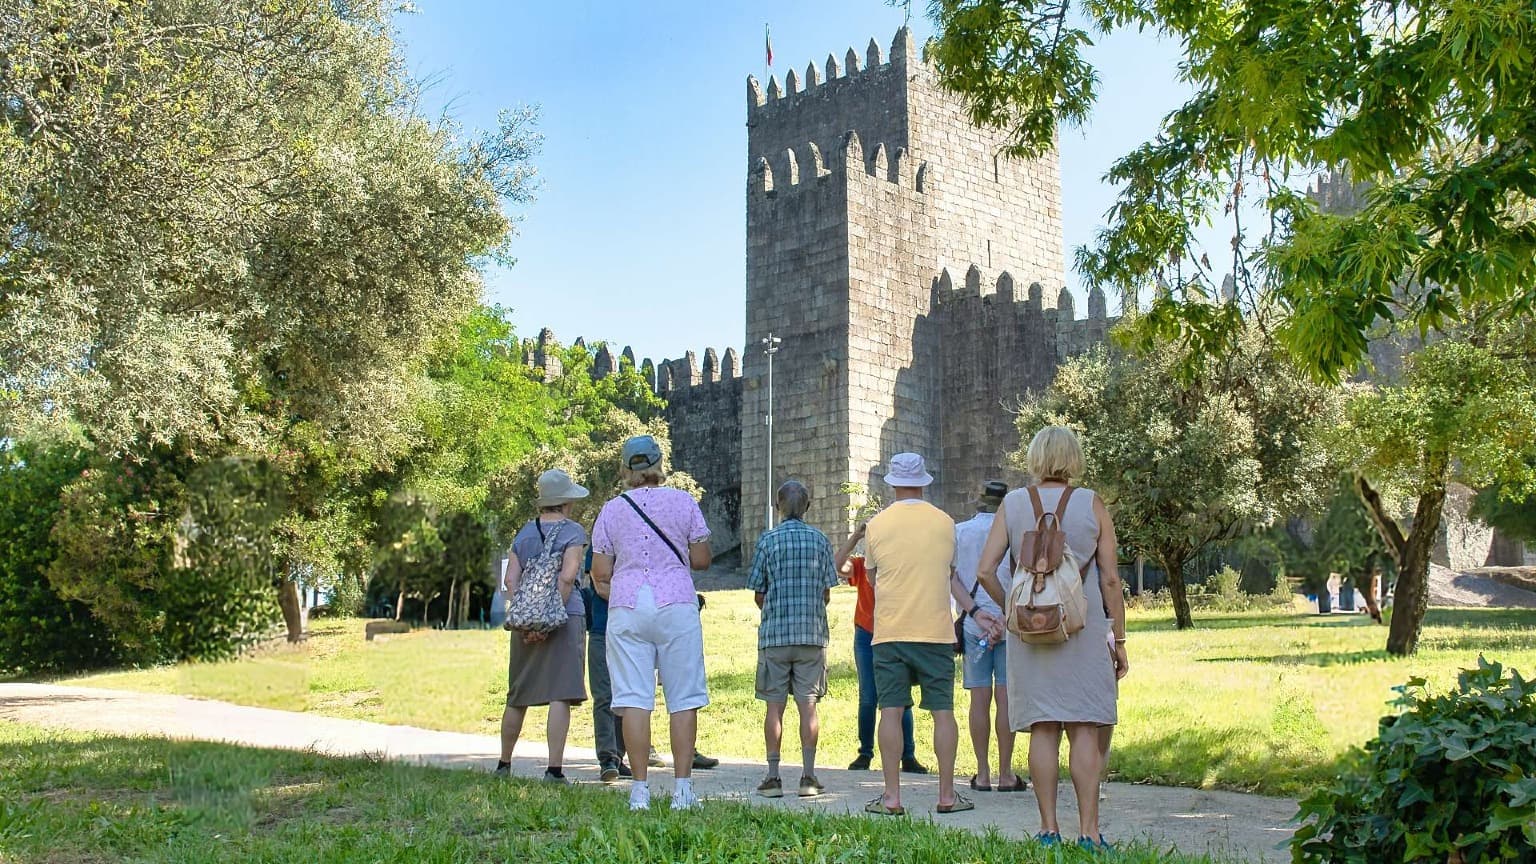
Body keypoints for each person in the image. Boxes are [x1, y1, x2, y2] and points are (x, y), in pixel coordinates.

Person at [971, 426, 1130, 851]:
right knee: (1084, 727)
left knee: (1042, 727)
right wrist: (1120, 636)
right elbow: (1111, 578)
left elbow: (985, 570)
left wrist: (1014, 611)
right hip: (1083, 629)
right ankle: (1090, 833)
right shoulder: (1091, 504)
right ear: (1073, 458)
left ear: (1036, 458)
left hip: (1030, 635)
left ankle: (1048, 831)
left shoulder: (1014, 504)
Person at [863, 452, 999, 816]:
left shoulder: (876, 525)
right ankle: (946, 795)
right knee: (942, 712)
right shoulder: (944, 523)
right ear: (924, 482)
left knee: (890, 712)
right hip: (935, 632)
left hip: (890, 631)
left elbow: (873, 579)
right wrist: (975, 610)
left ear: (892, 484)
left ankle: (891, 797)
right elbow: (950, 577)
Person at [590, 435, 712, 811]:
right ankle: (683, 790)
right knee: (683, 697)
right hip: (675, 601)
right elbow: (702, 558)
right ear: (661, 464)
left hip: (628, 604)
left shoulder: (611, 509)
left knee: (633, 699)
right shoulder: (683, 501)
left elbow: (599, 571)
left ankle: (640, 790)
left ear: (626, 469)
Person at [495, 469, 590, 783]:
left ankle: (504, 764)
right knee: (560, 695)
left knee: (518, 695)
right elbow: (568, 575)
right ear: (565, 502)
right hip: (566, 617)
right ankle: (554, 769)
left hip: (524, 623)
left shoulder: (522, 533)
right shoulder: (573, 532)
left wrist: (527, 619)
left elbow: (510, 581)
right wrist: (550, 619)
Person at [747, 480, 840, 799]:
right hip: (811, 636)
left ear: (778, 506)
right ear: (808, 507)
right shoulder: (820, 541)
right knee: (808, 707)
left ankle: (773, 777)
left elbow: (758, 592)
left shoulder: (767, 541)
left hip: (775, 635)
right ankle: (809, 777)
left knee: (774, 708)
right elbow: (827, 591)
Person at [951, 480, 1024, 792]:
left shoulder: (959, 531)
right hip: (1009, 621)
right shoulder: (1013, 532)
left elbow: (950, 576)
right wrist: (1003, 618)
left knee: (978, 699)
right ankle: (1006, 773)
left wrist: (974, 612)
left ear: (979, 502)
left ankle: (982, 773)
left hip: (973, 622)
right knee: (1006, 698)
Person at [835, 530, 926, 774]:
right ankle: (865, 753)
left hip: (896, 633)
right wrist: (854, 538)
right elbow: (836, 565)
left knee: (901, 697)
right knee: (868, 696)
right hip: (866, 633)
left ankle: (908, 755)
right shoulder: (863, 565)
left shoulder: (899, 565)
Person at [580, 547, 630, 782]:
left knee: (628, 695)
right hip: (603, 629)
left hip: (632, 630)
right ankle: (608, 758)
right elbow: (600, 585)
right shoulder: (599, 546)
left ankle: (620, 755)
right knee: (604, 696)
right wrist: (633, 597)